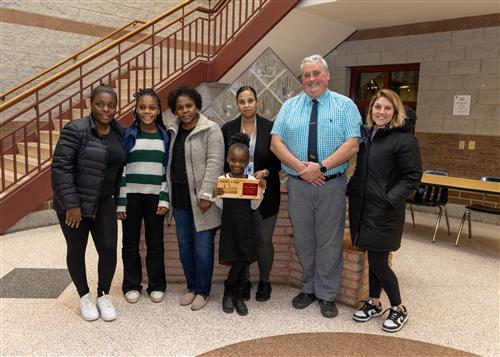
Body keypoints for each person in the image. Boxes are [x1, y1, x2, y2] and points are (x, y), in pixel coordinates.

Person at [270, 54, 362, 318]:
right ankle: (308, 288)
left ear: (327, 75)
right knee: (304, 240)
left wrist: (320, 168)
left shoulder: (345, 106)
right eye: (307, 75)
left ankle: (326, 294)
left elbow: (352, 144)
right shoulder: (289, 106)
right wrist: (303, 170)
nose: (312, 79)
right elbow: (276, 143)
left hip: (331, 184)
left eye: (316, 73)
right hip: (299, 185)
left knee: (329, 241)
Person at [348, 89, 422, 332]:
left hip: (385, 211)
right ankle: (374, 302)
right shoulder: (369, 135)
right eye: (377, 107)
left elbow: (412, 177)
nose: (381, 112)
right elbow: (363, 170)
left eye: (387, 108)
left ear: (395, 111)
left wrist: (389, 199)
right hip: (364, 207)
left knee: (379, 262)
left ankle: (399, 307)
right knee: (373, 257)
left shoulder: (404, 140)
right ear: (371, 111)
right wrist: (352, 189)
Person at [51, 85, 126, 322]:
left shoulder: (118, 132)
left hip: (104, 202)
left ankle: (103, 294)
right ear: (90, 104)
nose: (106, 109)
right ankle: (84, 296)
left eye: (111, 105)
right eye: (100, 104)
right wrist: (72, 204)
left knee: (108, 249)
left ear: (116, 106)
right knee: (77, 250)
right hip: (75, 205)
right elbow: (60, 169)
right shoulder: (76, 129)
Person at [166, 84, 224, 311]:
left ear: (197, 106)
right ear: (175, 110)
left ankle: (203, 290)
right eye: (180, 107)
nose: (185, 110)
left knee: (203, 247)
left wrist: (206, 194)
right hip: (180, 199)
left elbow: (215, 163)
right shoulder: (172, 131)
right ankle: (191, 287)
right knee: (185, 246)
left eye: (189, 105)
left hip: (203, 202)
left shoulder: (211, 129)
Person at [221, 86, 281, 302]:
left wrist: (265, 172)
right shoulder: (227, 129)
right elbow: (223, 163)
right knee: (242, 238)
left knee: (263, 239)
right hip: (237, 198)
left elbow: (279, 162)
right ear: (237, 104)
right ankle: (243, 281)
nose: (247, 105)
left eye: (250, 101)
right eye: (242, 101)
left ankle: (265, 281)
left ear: (257, 102)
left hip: (266, 193)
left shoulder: (271, 128)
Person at [117, 88, 170, 304]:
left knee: (155, 243)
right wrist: (121, 203)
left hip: (154, 199)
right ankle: (131, 285)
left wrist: (164, 198)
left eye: (152, 107)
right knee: (130, 243)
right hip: (131, 197)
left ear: (158, 111)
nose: (147, 111)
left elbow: (165, 170)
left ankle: (156, 285)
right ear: (136, 110)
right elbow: (122, 171)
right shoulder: (128, 136)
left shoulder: (165, 136)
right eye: (142, 107)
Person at [212, 133, 267, 316]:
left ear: (247, 162)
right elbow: (220, 206)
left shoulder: (251, 181)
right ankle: (231, 293)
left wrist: (261, 189)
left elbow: (254, 205)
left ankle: (234, 293)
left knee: (244, 259)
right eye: (233, 160)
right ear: (228, 160)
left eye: (241, 161)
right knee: (236, 259)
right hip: (229, 228)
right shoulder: (223, 180)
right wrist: (215, 194)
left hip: (246, 228)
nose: (237, 164)